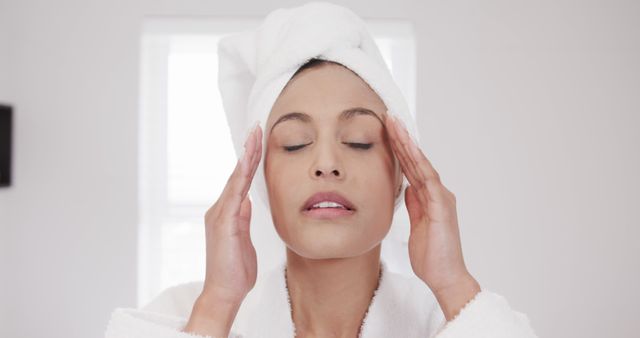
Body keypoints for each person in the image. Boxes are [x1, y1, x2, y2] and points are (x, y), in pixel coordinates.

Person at [105, 3, 538, 338]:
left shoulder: (455, 320)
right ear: (260, 179)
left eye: (358, 141)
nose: (327, 164)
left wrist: (452, 281)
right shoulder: (186, 317)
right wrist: (217, 304)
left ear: (401, 175)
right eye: (294, 144)